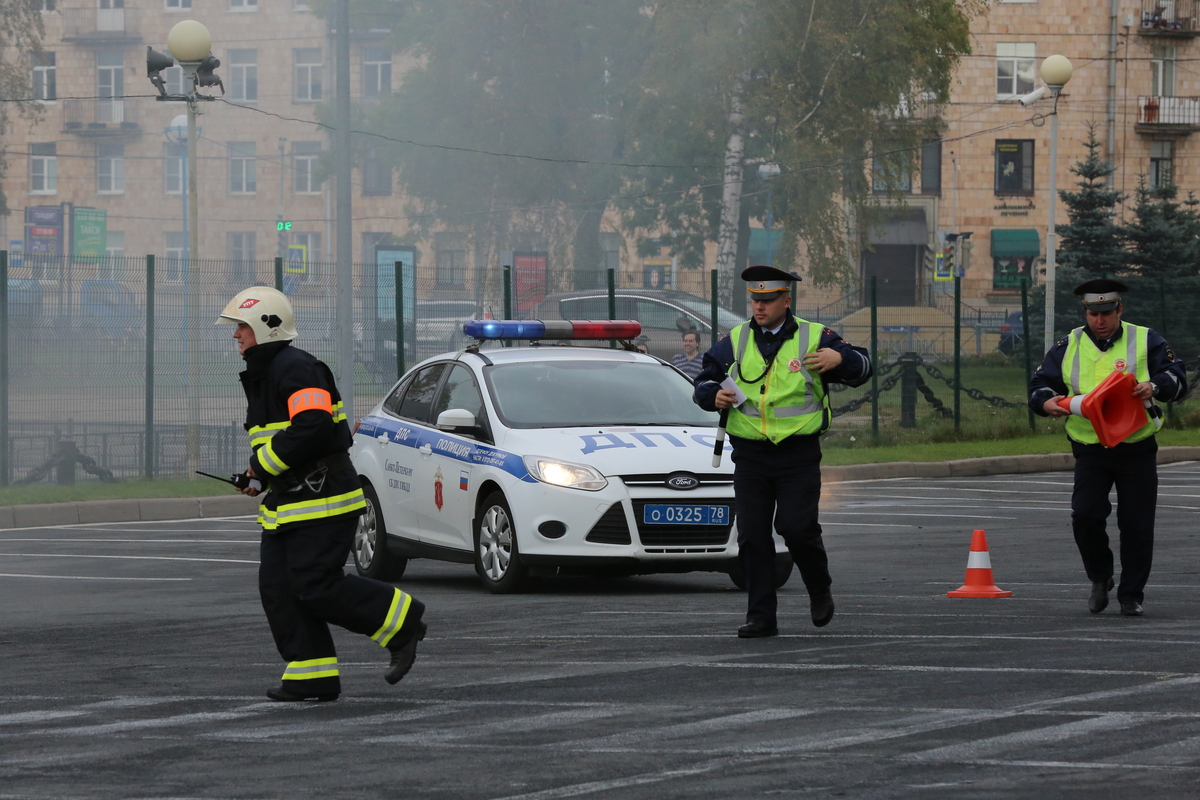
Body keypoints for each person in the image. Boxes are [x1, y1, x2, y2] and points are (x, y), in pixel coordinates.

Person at [216, 286, 428, 701]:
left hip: (325, 499)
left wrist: (262, 467)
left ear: (266, 326)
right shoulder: (266, 373)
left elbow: (312, 426)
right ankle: (311, 674)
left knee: (314, 584)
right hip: (291, 502)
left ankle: (402, 623)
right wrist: (257, 477)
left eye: (242, 326)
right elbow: (283, 441)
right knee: (278, 588)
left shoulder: (296, 367)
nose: (236, 335)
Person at [693, 266, 872, 637]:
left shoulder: (814, 336)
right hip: (751, 455)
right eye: (755, 300)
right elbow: (704, 378)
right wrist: (713, 395)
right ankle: (761, 616)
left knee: (795, 528)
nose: (760, 307)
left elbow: (863, 366)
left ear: (786, 301)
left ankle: (819, 588)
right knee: (752, 536)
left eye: (768, 300)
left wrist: (842, 361)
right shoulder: (736, 340)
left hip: (797, 454)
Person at [1028, 278, 1186, 617]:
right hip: (1090, 447)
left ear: (1120, 309)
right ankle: (1100, 577)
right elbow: (1040, 384)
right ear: (1085, 312)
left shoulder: (1145, 339)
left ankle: (1131, 594)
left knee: (1137, 524)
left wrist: (1154, 385)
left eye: (1107, 313)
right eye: (1093, 313)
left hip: (1136, 445)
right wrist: (1047, 403)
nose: (1100, 320)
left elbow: (1177, 375)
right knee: (1085, 514)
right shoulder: (1068, 343)